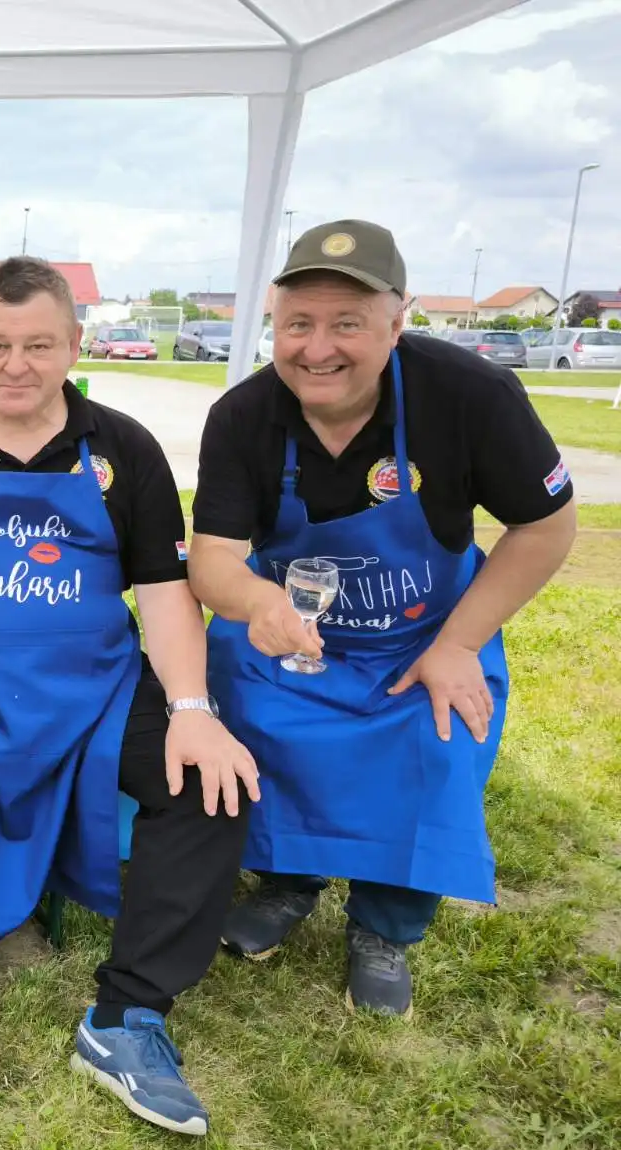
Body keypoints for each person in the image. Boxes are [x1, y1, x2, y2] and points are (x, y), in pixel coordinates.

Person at [0, 256, 260, 1135]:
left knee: (208, 786)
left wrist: (193, 711)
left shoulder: (124, 447)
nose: (17, 365)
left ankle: (129, 1018)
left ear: (76, 343)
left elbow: (163, 589)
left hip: (96, 694)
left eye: (39, 345)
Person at [190, 219, 577, 1017]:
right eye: (298, 323)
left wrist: (459, 643)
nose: (317, 348)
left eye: (347, 324)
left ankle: (386, 924)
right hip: (294, 630)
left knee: (436, 736)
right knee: (254, 710)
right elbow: (212, 561)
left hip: (422, 635)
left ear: (396, 325)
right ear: (273, 324)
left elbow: (546, 526)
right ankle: (287, 882)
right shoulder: (242, 417)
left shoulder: (470, 395)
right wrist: (259, 604)